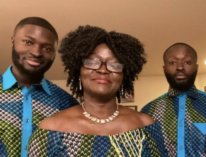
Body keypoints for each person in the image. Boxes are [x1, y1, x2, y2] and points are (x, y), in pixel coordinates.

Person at [27, 25, 168, 157]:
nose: (102, 70)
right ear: (79, 70)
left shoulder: (146, 126)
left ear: (124, 75)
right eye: (92, 62)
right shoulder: (51, 129)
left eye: (114, 64)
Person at [0, 17, 78, 157]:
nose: (36, 52)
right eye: (28, 42)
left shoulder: (67, 104)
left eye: (47, 48)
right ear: (13, 40)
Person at [141, 43, 206, 157]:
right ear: (164, 68)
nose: (180, 67)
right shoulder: (147, 112)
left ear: (196, 67)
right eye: (172, 62)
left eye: (187, 62)